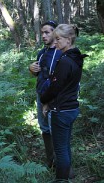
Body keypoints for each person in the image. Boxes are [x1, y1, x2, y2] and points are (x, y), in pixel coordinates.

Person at [40, 24, 87, 181]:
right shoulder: (75, 57)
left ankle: (61, 179)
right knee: (65, 146)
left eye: (58, 39)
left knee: (60, 150)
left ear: (68, 40)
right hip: (71, 108)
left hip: (62, 110)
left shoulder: (66, 61)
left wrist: (43, 100)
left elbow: (55, 87)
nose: (56, 42)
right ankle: (67, 176)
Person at [29, 20, 62, 168]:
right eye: (42, 32)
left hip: (54, 98)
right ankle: (51, 162)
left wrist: (48, 102)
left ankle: (63, 166)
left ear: (55, 33)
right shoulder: (42, 53)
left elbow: (58, 80)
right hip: (40, 95)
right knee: (44, 128)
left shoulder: (61, 53)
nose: (43, 35)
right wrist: (31, 69)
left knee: (56, 129)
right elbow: (38, 74)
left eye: (47, 32)